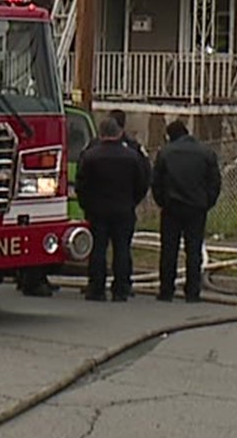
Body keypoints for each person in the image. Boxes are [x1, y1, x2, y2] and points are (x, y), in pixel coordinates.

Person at [74, 115, 150, 302]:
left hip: (97, 210)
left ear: (101, 134)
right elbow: (141, 182)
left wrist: (87, 205)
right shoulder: (132, 156)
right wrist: (132, 201)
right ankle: (121, 289)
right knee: (122, 249)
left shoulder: (90, 156)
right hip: (123, 209)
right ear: (119, 133)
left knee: (98, 250)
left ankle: (96, 288)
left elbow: (81, 184)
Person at [152, 119, 221, 302]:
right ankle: (192, 291)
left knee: (169, 250)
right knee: (194, 250)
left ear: (170, 136)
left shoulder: (165, 153)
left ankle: (166, 290)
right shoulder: (206, 152)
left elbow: (156, 182)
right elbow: (214, 182)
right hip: (196, 207)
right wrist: (207, 202)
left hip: (172, 207)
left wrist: (163, 202)